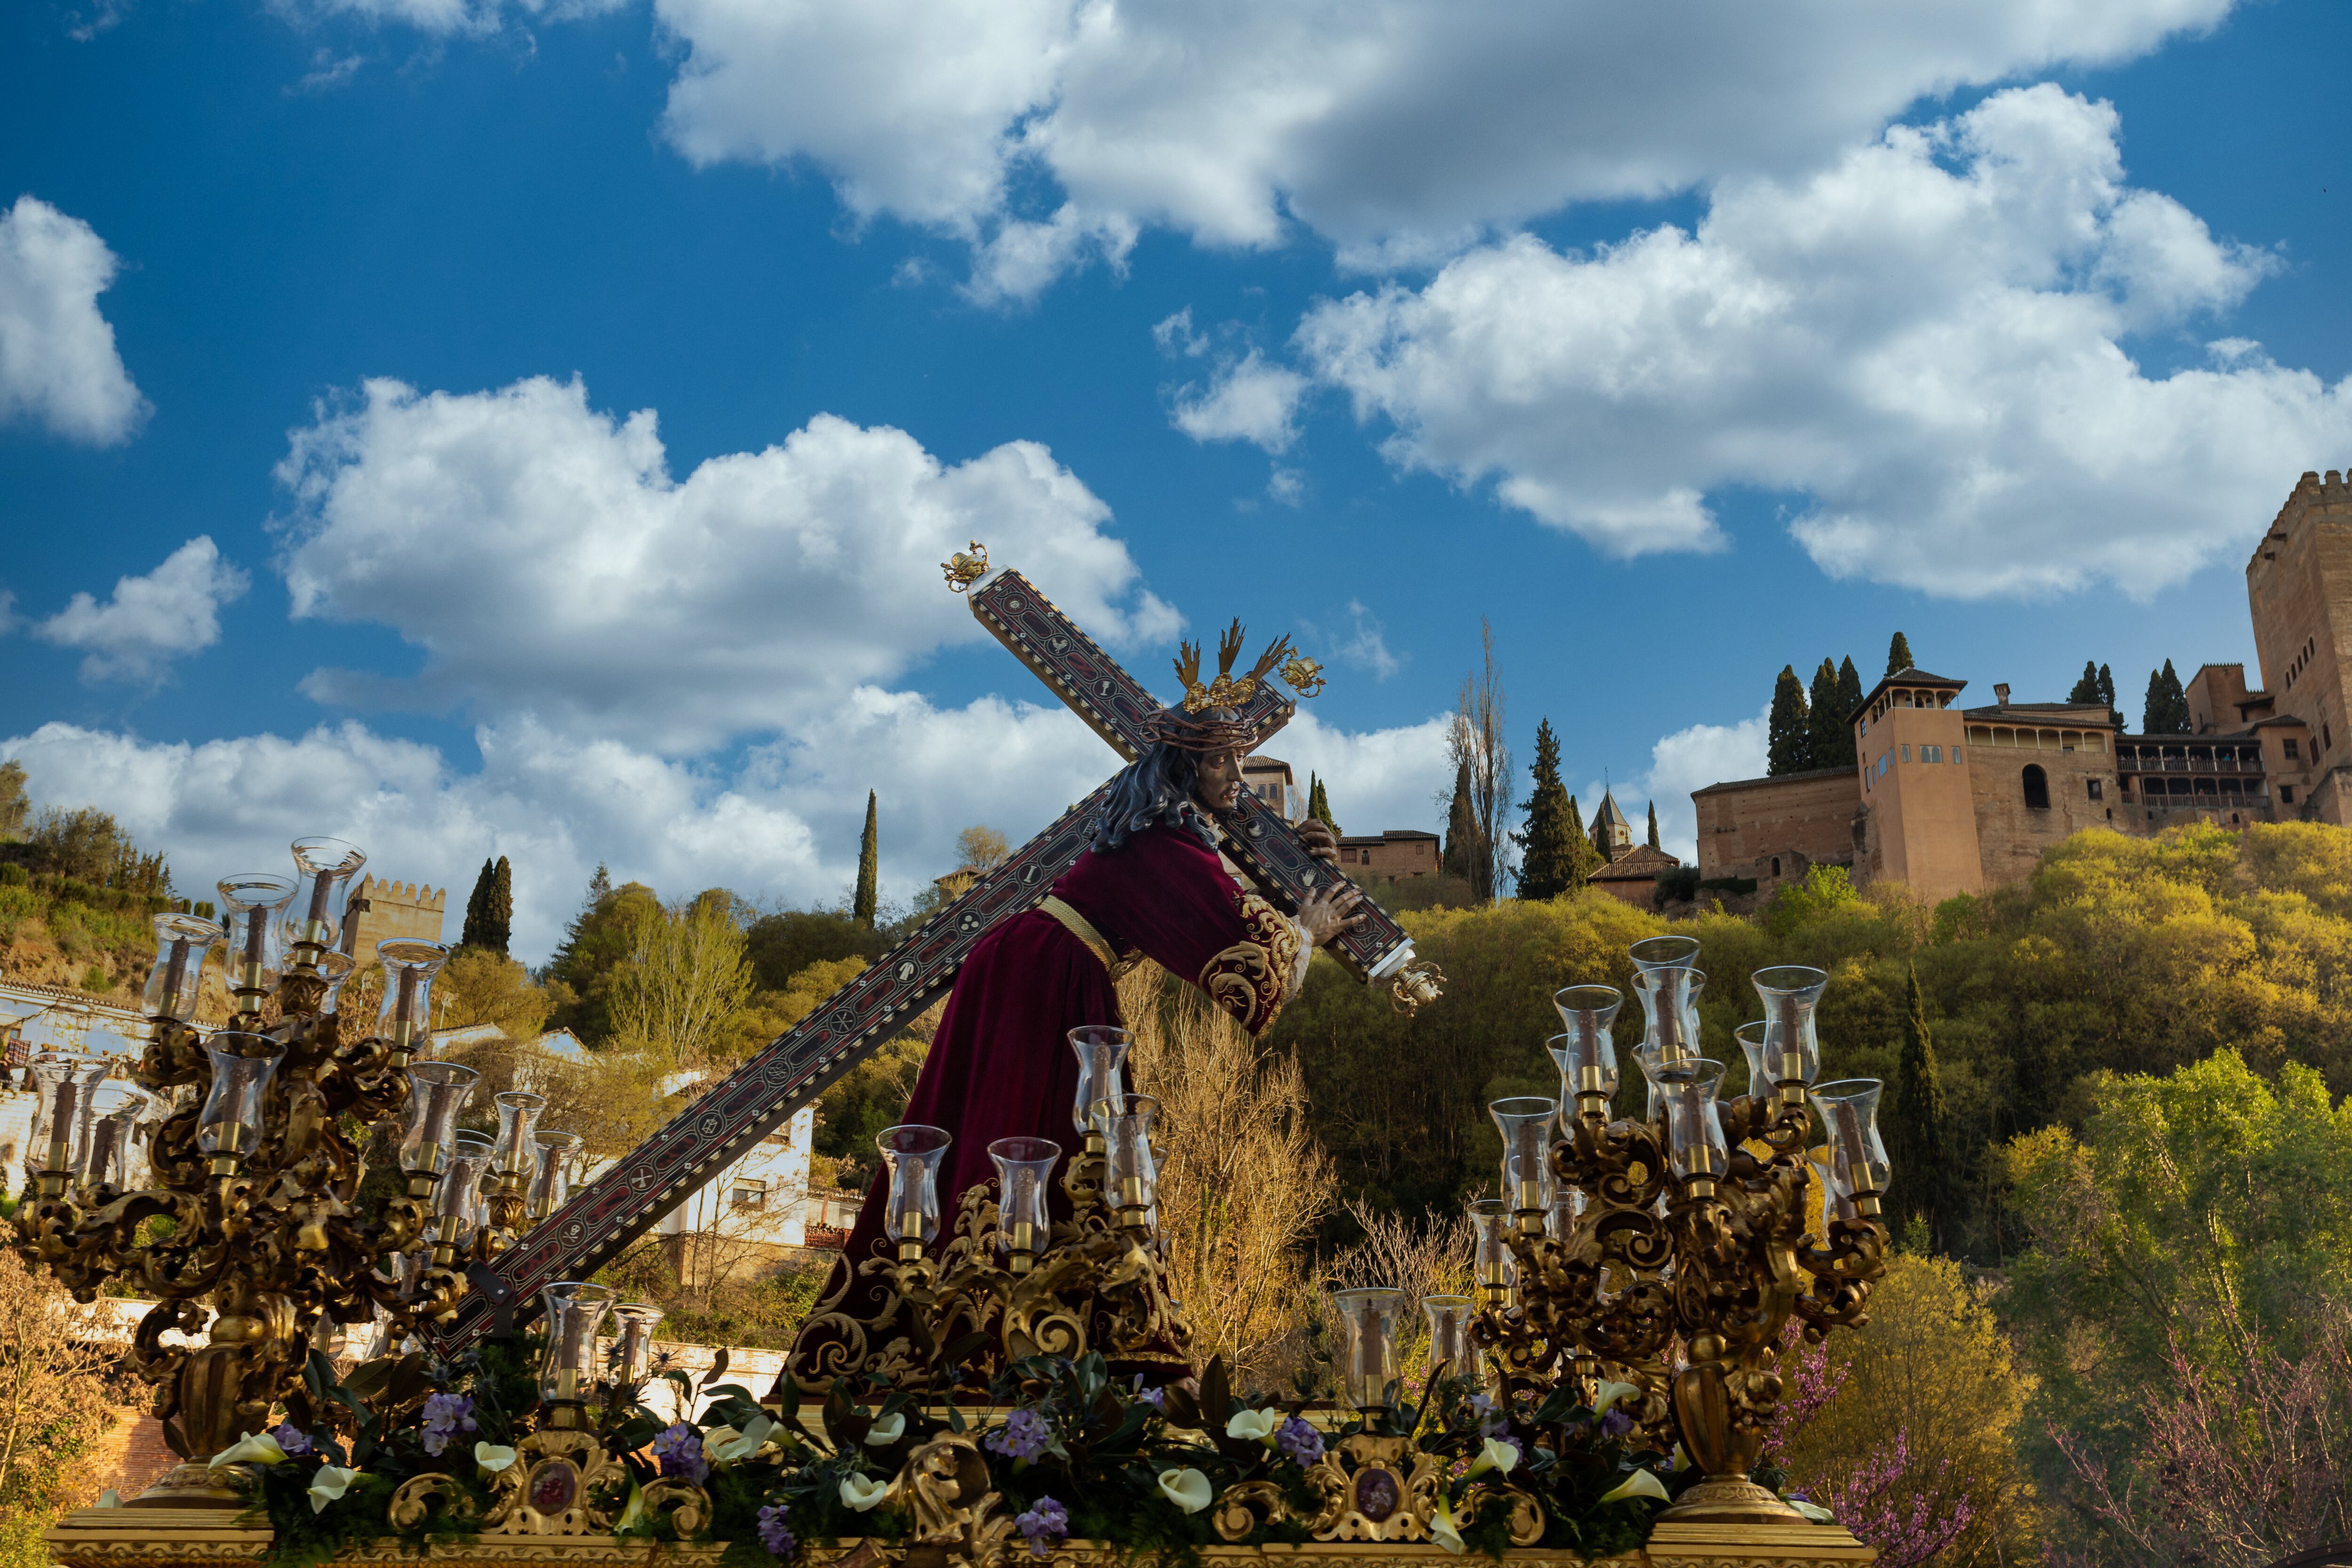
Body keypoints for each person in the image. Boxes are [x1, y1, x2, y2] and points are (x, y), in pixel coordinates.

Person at [785, 628, 1363, 1387]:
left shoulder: (1160, 833)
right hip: (1051, 979)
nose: (1235, 776)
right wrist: (1310, 928)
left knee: (1035, 1139)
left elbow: (1229, 897)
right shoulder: (1164, 840)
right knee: (1053, 1143)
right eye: (1219, 761)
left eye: (1237, 758)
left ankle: (1007, 1307)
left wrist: (1298, 872)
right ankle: (1006, 1332)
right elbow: (1252, 972)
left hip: (1028, 966)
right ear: (1184, 766)